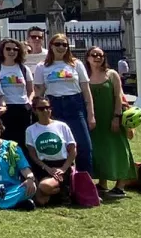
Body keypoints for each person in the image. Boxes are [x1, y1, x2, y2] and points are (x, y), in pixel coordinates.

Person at [33, 34, 96, 174]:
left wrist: (91, 115)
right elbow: (39, 92)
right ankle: (63, 181)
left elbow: (86, 91)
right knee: (58, 146)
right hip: (53, 106)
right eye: (58, 44)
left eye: (64, 45)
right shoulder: (42, 67)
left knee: (84, 145)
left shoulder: (76, 64)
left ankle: (85, 184)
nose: (61, 47)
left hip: (74, 104)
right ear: (51, 46)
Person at [85, 46, 136, 199]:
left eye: (100, 55)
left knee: (118, 149)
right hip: (95, 119)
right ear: (87, 58)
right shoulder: (85, 75)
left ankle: (120, 186)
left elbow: (118, 96)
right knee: (100, 150)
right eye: (93, 55)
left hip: (112, 117)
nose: (97, 58)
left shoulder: (111, 74)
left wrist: (117, 117)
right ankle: (102, 183)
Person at [23, 99, 76, 206]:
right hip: (43, 166)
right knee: (40, 201)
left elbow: (73, 149)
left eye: (48, 108)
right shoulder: (30, 130)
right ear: (35, 110)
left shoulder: (62, 126)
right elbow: (33, 154)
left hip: (61, 165)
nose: (45, 111)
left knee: (44, 186)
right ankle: (58, 193)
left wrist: (63, 168)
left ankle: (64, 189)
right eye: (41, 108)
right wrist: (46, 168)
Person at [0, 37, 35, 147]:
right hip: (4, 110)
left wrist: (30, 102)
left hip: (22, 109)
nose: (12, 52)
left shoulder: (24, 69)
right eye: (8, 49)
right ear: (2, 51)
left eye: (15, 49)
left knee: (22, 141)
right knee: (4, 141)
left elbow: (31, 90)